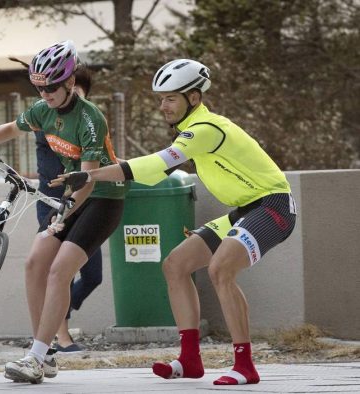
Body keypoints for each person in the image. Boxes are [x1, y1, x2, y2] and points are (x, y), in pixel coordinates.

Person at [51, 59, 297, 386]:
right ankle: (190, 359)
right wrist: (99, 166)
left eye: (170, 98)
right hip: (245, 210)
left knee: (220, 269)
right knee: (176, 264)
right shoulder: (190, 132)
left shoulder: (206, 129)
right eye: (161, 98)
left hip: (273, 206)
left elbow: (155, 164)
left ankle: (245, 365)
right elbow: (153, 172)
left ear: (193, 98)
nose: (162, 105)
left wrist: (92, 173)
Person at [0, 40, 127, 383]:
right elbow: (9, 130)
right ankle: (42, 355)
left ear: (71, 82)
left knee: (60, 271)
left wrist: (62, 216)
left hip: (102, 197)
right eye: (39, 87)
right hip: (71, 198)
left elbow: (87, 179)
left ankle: (35, 357)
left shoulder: (90, 118)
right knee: (34, 264)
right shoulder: (42, 110)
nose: (44, 94)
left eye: (51, 88)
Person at [30, 65, 103, 353]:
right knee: (58, 272)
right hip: (53, 202)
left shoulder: (88, 120)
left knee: (93, 275)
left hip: (84, 203)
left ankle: (54, 316)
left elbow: (93, 163)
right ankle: (59, 338)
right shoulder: (46, 121)